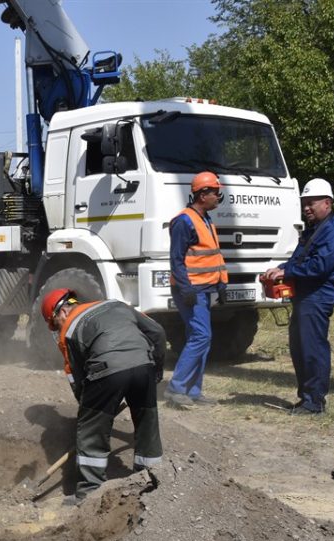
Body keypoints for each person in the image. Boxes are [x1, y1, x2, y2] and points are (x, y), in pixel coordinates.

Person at [41, 288, 167, 503]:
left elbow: (76, 376)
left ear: (61, 313)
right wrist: (156, 371)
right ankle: (151, 480)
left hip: (106, 369)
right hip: (144, 364)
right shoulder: (116, 304)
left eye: (55, 325)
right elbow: (157, 332)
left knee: (91, 430)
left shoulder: (68, 330)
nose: (57, 329)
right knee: (147, 422)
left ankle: (89, 494)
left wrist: (89, 411)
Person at [263, 178, 334, 415]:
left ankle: (315, 402)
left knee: (313, 349)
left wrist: (288, 271)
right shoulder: (315, 229)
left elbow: (320, 266)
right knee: (299, 348)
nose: (307, 208)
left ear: (327, 203)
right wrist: (281, 268)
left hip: (317, 296)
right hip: (304, 296)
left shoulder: (333, 231)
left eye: (312, 203)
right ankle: (306, 398)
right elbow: (300, 260)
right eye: (304, 203)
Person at [165, 171, 228, 408]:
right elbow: (176, 260)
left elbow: (213, 255)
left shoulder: (205, 219)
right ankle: (176, 388)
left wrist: (221, 283)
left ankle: (192, 391)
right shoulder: (184, 221)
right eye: (215, 192)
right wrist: (185, 289)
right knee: (202, 336)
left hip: (204, 288)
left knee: (201, 338)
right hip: (191, 290)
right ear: (203, 194)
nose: (218, 197)